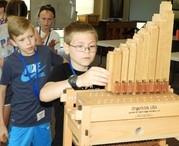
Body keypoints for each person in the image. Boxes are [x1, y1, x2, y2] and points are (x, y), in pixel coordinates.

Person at [40, 22, 110, 146]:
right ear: (67, 48)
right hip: (65, 140)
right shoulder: (61, 70)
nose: (86, 51)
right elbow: (44, 95)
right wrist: (78, 80)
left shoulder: (98, 74)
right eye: (79, 46)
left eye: (92, 46)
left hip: (91, 139)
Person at [0, 16, 63, 146]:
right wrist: (1, 124)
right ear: (13, 42)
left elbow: (63, 64)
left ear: (34, 33)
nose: (28, 43)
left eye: (30, 36)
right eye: (21, 40)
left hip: (44, 118)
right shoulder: (10, 62)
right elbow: (2, 92)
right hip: (21, 121)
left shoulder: (45, 52)